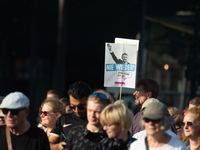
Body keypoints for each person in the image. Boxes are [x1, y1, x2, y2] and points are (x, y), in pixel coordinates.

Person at [49, 81, 92, 150]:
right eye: (73, 106)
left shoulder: (96, 120)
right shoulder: (63, 119)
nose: (77, 110)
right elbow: (49, 144)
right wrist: (58, 146)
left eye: (81, 107)